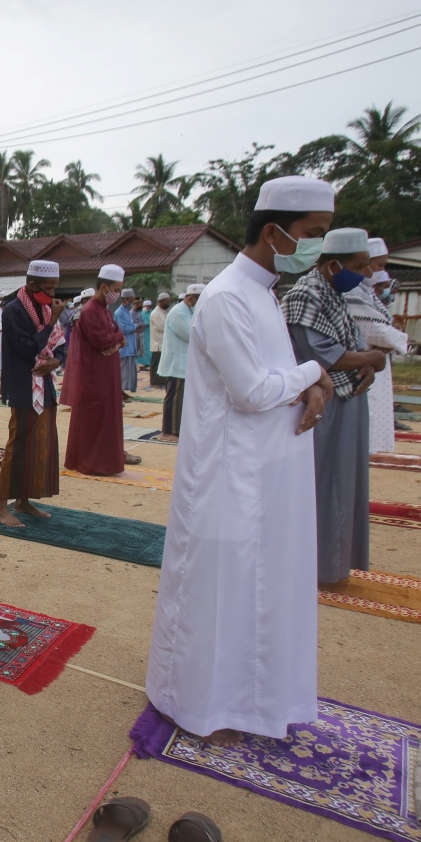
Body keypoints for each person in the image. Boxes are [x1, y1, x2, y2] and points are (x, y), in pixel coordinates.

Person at [145, 175, 337, 743]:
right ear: (274, 232)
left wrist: (309, 383)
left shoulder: (264, 292)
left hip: (266, 472)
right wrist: (315, 372)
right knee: (219, 591)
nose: (317, 245)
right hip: (230, 474)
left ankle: (249, 703)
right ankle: (196, 705)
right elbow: (252, 391)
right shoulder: (228, 295)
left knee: (259, 589)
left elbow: (275, 377)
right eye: (312, 233)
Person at [282, 227, 383, 586]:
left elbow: (351, 342)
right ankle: (317, 564)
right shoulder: (305, 295)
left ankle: (334, 562)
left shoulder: (334, 294)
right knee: (326, 483)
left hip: (347, 397)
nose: (366, 274)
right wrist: (372, 358)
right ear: (333, 264)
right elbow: (326, 355)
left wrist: (367, 361)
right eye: (359, 266)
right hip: (325, 401)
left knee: (344, 481)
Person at [0, 260, 63, 527]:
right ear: (32, 284)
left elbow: (60, 344)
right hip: (23, 385)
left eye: (55, 288)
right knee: (18, 444)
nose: (53, 294)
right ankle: (1, 507)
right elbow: (27, 349)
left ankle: (23, 500)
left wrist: (56, 361)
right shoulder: (14, 310)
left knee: (40, 443)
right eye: (48, 288)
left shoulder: (44, 308)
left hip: (45, 384)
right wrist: (52, 321)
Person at [63, 265, 136, 475]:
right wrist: (117, 340)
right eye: (116, 289)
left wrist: (117, 340)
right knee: (93, 419)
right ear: (104, 287)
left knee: (108, 418)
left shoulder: (105, 311)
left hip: (107, 374)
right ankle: (91, 463)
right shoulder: (89, 311)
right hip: (93, 375)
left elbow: (118, 336)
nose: (118, 294)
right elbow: (102, 340)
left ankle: (107, 461)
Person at [353, 238, 406, 453]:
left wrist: (390, 342)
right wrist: (400, 340)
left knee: (374, 416)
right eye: (379, 265)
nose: (381, 271)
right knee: (366, 416)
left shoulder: (366, 292)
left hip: (375, 362)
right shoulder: (353, 290)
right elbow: (374, 331)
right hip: (360, 362)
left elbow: (382, 330)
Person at [155, 286, 199, 442]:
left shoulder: (187, 312)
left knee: (181, 399)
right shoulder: (179, 312)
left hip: (182, 363)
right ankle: (169, 432)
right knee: (174, 399)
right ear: (190, 298)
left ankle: (177, 430)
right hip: (176, 363)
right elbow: (190, 334)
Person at [112, 288, 139, 394]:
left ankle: (125, 392)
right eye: (131, 301)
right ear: (125, 301)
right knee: (123, 371)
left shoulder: (127, 312)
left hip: (131, 345)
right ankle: (120, 393)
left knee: (130, 371)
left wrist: (133, 327)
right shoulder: (119, 313)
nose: (132, 304)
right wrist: (135, 327)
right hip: (124, 347)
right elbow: (123, 329)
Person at [148, 293, 171, 388]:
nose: (168, 304)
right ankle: (155, 381)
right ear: (161, 302)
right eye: (167, 302)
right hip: (158, 343)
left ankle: (160, 380)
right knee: (156, 363)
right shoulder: (156, 313)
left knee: (161, 363)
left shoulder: (163, 312)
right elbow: (162, 327)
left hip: (163, 343)